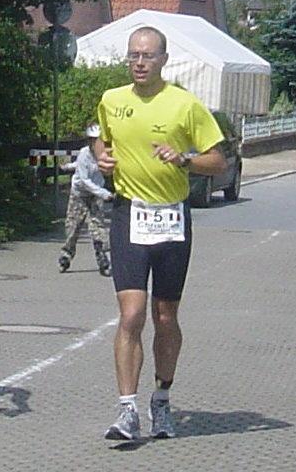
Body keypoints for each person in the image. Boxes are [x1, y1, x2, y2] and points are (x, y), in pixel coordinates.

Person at [95, 27, 226, 440]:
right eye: (133, 55)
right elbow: (101, 142)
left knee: (165, 316)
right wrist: (102, 159)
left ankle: (162, 400)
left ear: (163, 60)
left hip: (171, 218)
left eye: (148, 56)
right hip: (129, 215)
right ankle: (127, 411)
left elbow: (218, 160)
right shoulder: (112, 100)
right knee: (131, 313)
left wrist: (185, 158)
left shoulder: (184, 105)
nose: (139, 63)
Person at [58, 123, 113, 275]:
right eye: (93, 140)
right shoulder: (84, 153)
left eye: (99, 140)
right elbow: (84, 180)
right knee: (73, 227)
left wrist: (68, 166)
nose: (96, 143)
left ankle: (103, 259)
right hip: (80, 195)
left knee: (98, 227)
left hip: (95, 196)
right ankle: (66, 255)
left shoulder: (106, 154)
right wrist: (104, 193)